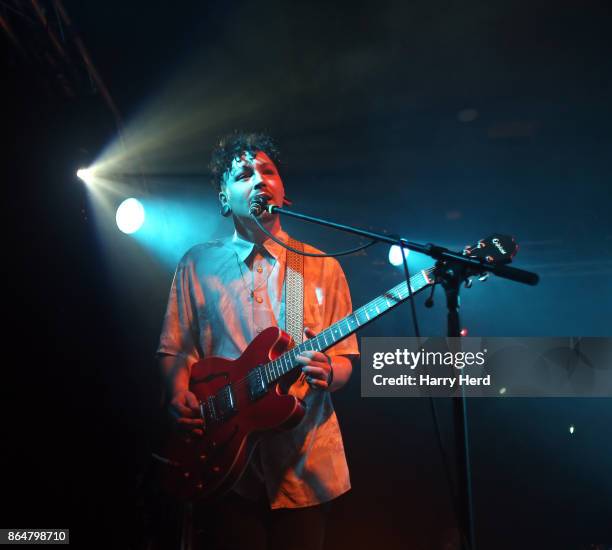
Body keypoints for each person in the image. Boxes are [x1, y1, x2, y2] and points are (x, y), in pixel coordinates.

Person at [156, 131, 359, 550]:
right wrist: (178, 395)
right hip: (224, 459)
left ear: (284, 193)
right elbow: (177, 347)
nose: (259, 180)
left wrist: (329, 370)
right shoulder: (197, 263)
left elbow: (345, 361)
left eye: (268, 171)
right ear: (224, 198)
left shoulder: (320, 267)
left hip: (304, 463)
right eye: (244, 174)